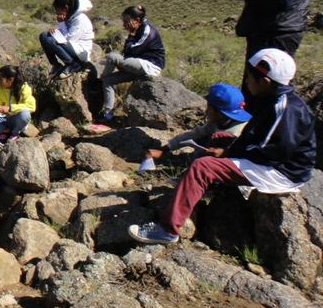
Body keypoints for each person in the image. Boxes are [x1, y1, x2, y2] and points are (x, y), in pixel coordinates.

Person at [129, 48, 316, 245]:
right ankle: (201, 188)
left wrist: (228, 152)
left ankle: (167, 230)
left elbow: (273, 151)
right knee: (220, 137)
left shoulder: (285, 109)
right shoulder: (271, 99)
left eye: (249, 77)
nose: (247, 81)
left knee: (203, 167)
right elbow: (252, 137)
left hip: (281, 171)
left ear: (264, 81)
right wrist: (228, 149)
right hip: (271, 160)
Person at [145, 83, 251, 161]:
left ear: (219, 112)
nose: (206, 111)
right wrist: (165, 149)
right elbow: (193, 134)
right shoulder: (218, 122)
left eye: (209, 107)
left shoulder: (239, 132)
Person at [97, 5, 165, 123]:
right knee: (108, 81)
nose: (124, 25)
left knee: (112, 57)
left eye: (126, 21)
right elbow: (128, 52)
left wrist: (131, 34)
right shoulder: (139, 28)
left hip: (150, 66)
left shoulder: (147, 30)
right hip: (139, 65)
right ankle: (107, 114)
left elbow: (131, 50)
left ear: (136, 20)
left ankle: (99, 80)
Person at [39, 0, 94, 80]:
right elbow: (66, 33)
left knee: (51, 40)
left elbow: (68, 39)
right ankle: (55, 65)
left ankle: (73, 64)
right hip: (71, 47)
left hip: (80, 51)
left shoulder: (80, 19)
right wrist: (56, 31)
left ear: (66, 8)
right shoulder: (70, 16)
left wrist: (61, 23)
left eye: (58, 10)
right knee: (44, 36)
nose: (57, 14)